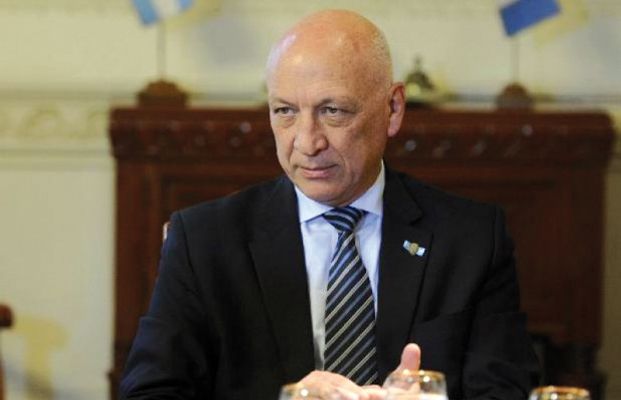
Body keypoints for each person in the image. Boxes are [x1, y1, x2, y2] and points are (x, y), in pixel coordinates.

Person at [120, 9, 540, 400]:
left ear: (393, 108)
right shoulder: (204, 241)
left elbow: (506, 393)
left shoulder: (471, 239)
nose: (307, 142)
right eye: (285, 111)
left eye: (333, 111)